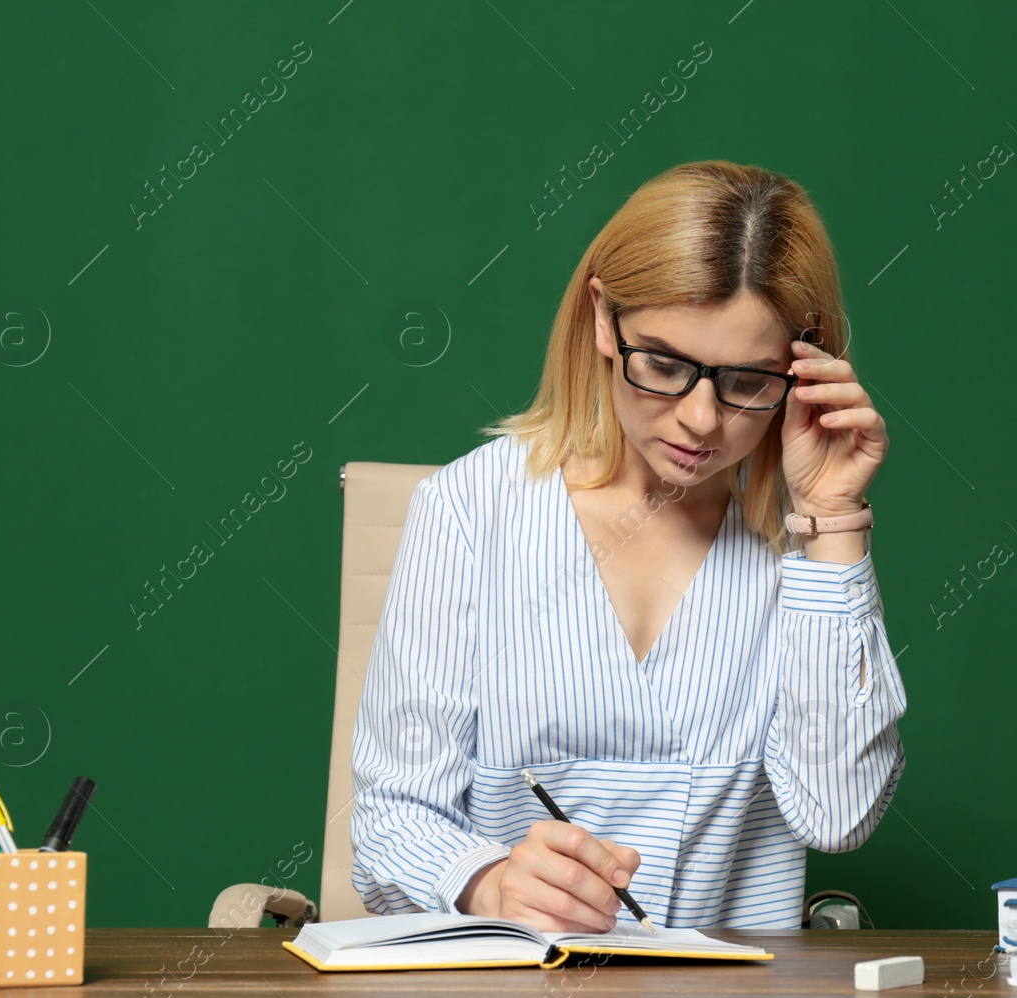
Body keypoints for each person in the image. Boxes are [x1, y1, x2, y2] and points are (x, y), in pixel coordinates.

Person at [350, 160, 907, 932]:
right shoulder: (468, 509)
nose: (702, 421)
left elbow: (838, 814)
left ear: (804, 370)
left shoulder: (804, 544)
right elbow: (389, 822)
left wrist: (834, 517)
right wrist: (487, 881)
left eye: (748, 380)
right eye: (667, 365)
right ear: (604, 319)